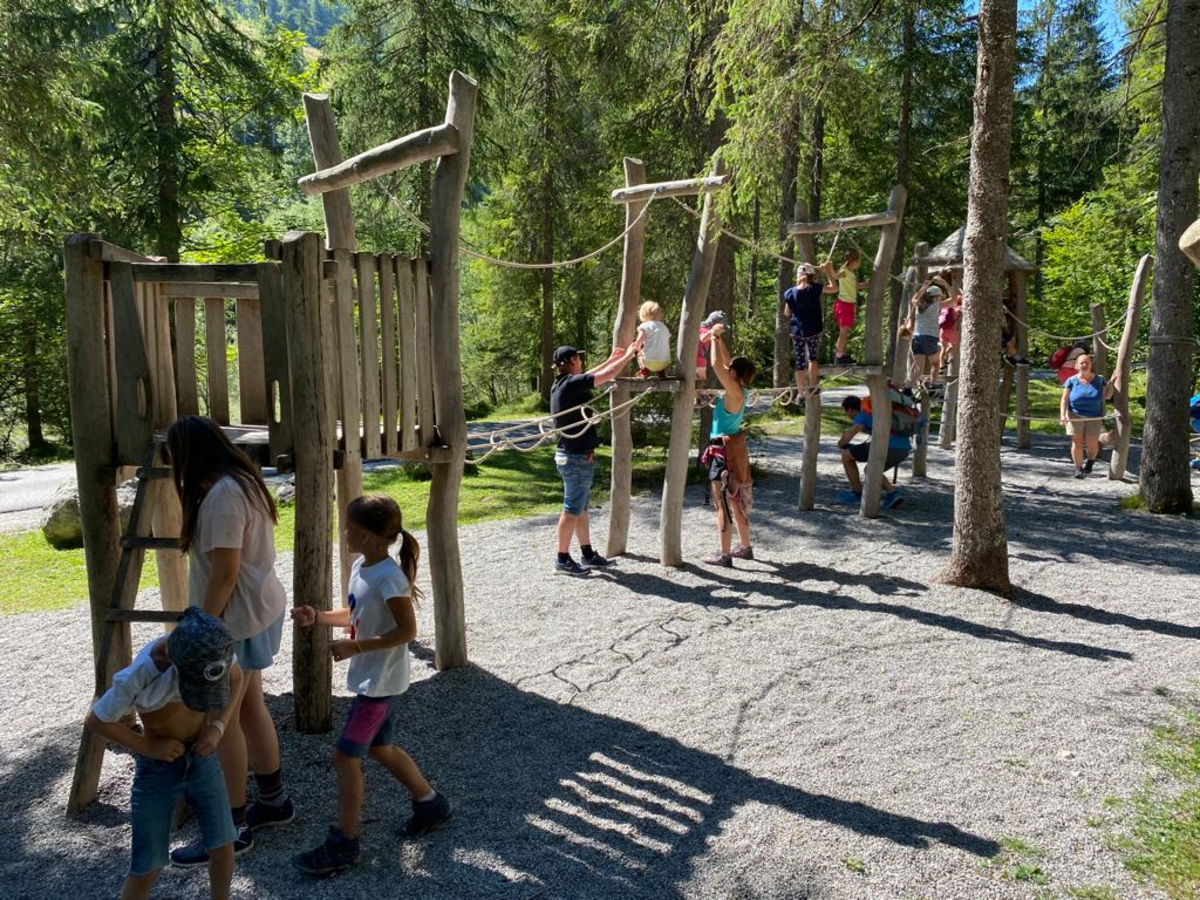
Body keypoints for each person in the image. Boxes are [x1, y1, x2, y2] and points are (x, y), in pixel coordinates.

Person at [292, 495, 451, 876]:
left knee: (345, 755)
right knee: (380, 748)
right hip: (375, 680)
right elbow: (356, 613)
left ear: (366, 536)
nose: (344, 532)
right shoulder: (361, 566)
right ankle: (430, 803)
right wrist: (319, 617)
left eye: (349, 528)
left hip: (380, 685)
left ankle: (345, 842)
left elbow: (407, 631)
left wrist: (356, 647)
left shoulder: (389, 578)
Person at [165, 416, 294, 867]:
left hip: (234, 623)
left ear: (188, 456)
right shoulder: (242, 480)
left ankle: (232, 828)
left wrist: (201, 626)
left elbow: (225, 572)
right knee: (251, 706)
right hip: (255, 613)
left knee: (222, 723)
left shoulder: (222, 495)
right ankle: (273, 801)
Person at [85, 607, 242, 900]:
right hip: (157, 769)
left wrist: (218, 727)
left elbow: (237, 678)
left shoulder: (213, 651)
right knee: (148, 863)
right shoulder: (143, 673)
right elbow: (97, 720)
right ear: (174, 660)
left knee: (223, 846)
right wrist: (148, 747)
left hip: (202, 758)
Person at [550, 342, 639, 575]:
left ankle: (587, 554)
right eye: (578, 358)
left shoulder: (563, 383)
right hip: (575, 458)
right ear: (572, 361)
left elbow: (592, 375)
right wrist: (629, 354)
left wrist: (611, 359)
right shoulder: (571, 384)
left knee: (580, 509)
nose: (581, 362)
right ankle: (562, 558)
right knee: (572, 509)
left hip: (575, 456)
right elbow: (606, 376)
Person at [700, 324, 756, 567]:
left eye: (730, 368)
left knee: (721, 502)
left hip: (721, 452)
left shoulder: (733, 391)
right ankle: (745, 547)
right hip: (733, 449)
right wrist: (720, 339)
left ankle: (724, 555)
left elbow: (715, 364)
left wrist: (712, 336)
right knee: (735, 500)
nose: (727, 367)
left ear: (734, 372)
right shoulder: (740, 389)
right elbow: (725, 361)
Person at [836, 396, 908, 510]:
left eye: (846, 412)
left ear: (849, 410)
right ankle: (892, 492)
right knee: (871, 469)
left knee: (846, 455)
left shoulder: (862, 415)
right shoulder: (875, 412)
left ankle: (857, 493)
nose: (847, 415)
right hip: (903, 450)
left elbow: (850, 433)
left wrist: (841, 443)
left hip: (887, 447)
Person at [781, 261, 838, 393]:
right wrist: (828, 271)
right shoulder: (815, 288)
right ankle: (813, 386)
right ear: (812, 275)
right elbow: (834, 288)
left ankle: (800, 393)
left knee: (799, 363)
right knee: (812, 359)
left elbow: (787, 313)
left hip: (797, 331)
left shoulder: (790, 292)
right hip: (813, 330)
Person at [1059, 353, 1113, 478]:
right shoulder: (1071, 380)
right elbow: (1064, 399)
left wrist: (1111, 384)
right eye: (1081, 362)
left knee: (1092, 443)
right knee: (1077, 442)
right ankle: (1078, 468)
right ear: (1077, 366)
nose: (1084, 364)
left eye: (1087, 362)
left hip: (1094, 416)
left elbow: (1107, 396)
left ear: (1091, 365)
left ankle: (1090, 462)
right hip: (1074, 414)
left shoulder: (1099, 380)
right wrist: (1063, 414)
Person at [904, 275, 951, 390]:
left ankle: (907, 389)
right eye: (939, 296)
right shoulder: (936, 306)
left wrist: (924, 287)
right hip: (929, 338)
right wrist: (945, 283)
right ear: (936, 297)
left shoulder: (919, 305)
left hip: (916, 339)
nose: (940, 298)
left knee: (919, 369)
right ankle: (933, 384)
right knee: (936, 364)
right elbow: (953, 299)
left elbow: (914, 298)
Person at [832, 249, 868, 365]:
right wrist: (828, 268)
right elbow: (835, 276)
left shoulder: (851, 273)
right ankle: (839, 356)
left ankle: (841, 354)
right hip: (844, 304)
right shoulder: (844, 271)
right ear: (853, 261)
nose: (859, 264)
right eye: (859, 261)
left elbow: (856, 286)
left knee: (845, 331)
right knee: (844, 332)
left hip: (847, 304)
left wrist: (868, 283)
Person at [635, 301, 672, 377]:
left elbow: (639, 341)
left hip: (648, 362)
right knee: (662, 352)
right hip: (664, 362)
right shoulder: (664, 327)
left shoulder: (644, 326)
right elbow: (668, 344)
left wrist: (636, 349)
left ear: (643, 313)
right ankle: (662, 372)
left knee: (639, 354)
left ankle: (644, 371)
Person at [936, 289, 962, 377]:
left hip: (942, 330)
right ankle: (944, 358)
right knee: (954, 346)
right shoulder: (957, 309)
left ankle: (941, 365)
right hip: (952, 331)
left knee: (943, 348)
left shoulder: (944, 308)